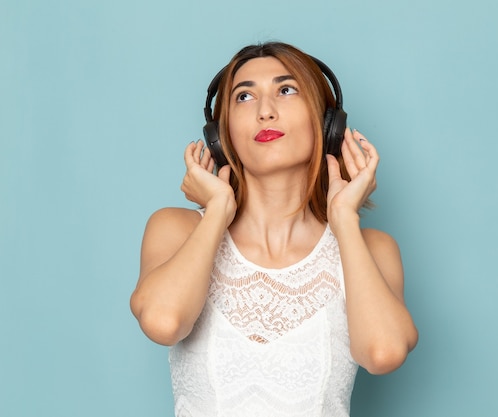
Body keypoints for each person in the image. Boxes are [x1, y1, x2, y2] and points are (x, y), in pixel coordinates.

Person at [130, 41, 418, 417]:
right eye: (245, 97)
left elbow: (383, 353)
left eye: (286, 90)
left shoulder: (371, 248)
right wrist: (218, 209)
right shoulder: (175, 229)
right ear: (221, 135)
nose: (265, 111)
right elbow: (164, 323)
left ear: (328, 125)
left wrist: (344, 219)